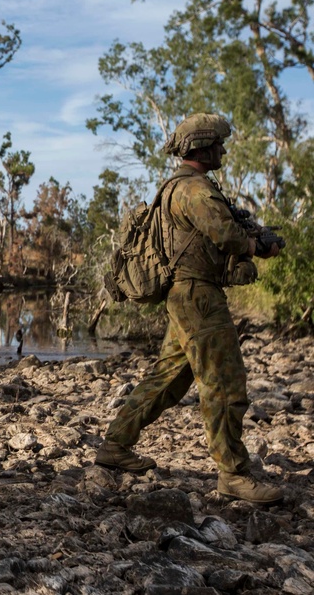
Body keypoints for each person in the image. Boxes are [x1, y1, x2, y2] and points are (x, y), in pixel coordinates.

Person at [95, 113, 284, 504]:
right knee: (224, 383)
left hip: (187, 296)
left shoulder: (177, 187)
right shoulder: (195, 190)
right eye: (218, 143)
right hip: (199, 298)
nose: (224, 149)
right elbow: (225, 234)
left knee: (168, 378)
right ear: (202, 147)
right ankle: (232, 473)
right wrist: (258, 246)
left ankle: (115, 444)